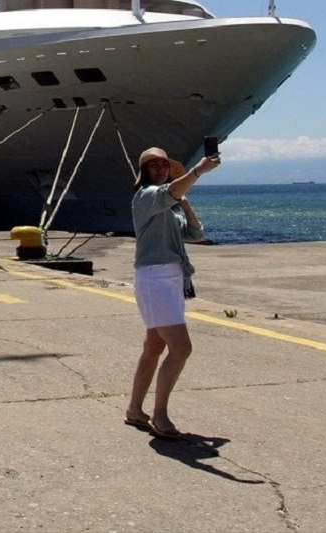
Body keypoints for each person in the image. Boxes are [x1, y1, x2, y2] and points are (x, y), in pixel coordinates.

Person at [125, 145, 220, 439]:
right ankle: (160, 414)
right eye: (152, 165)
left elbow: (197, 234)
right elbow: (166, 195)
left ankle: (134, 410)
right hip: (154, 278)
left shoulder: (172, 204)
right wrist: (199, 170)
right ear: (143, 172)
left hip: (173, 278)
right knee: (181, 348)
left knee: (154, 345)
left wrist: (186, 205)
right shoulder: (145, 197)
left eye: (163, 164)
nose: (160, 169)